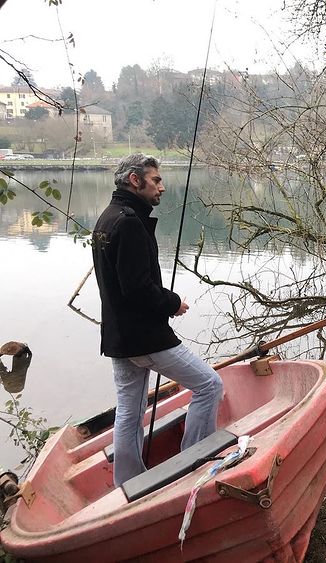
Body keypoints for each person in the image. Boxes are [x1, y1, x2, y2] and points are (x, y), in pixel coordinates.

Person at [92, 153, 224, 487]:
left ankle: (129, 485)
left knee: (129, 413)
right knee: (210, 385)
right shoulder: (129, 223)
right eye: (156, 180)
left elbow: (121, 285)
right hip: (145, 337)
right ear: (135, 180)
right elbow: (137, 289)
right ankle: (194, 463)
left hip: (119, 338)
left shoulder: (106, 219)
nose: (162, 187)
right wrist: (173, 302)